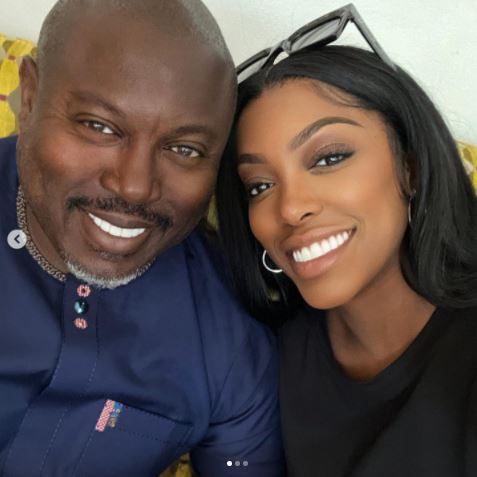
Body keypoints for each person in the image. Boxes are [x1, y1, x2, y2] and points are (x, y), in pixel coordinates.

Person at [0, 1, 285, 476]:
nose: (134, 186)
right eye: (99, 127)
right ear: (28, 97)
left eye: (184, 149)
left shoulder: (232, 342)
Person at [216, 4, 477, 477]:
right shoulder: (272, 356)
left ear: (412, 169)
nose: (290, 208)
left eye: (329, 158)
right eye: (260, 185)